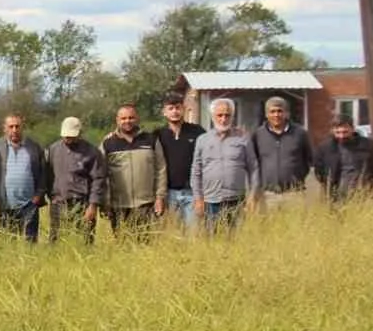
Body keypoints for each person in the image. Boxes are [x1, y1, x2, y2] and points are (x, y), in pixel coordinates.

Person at [190, 98, 258, 234]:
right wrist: (198, 198)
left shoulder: (243, 138)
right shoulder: (202, 140)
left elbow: (254, 169)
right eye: (219, 115)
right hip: (210, 201)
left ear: (232, 116)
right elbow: (196, 171)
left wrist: (252, 196)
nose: (223, 119)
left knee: (236, 239)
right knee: (211, 239)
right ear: (212, 116)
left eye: (227, 115)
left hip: (236, 200)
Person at [100, 104, 167, 241]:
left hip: (146, 204)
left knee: (146, 245)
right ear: (117, 120)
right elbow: (101, 174)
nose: (127, 121)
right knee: (122, 245)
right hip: (118, 205)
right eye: (123, 118)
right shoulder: (108, 143)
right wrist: (105, 202)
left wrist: (160, 197)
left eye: (131, 117)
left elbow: (161, 169)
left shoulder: (151, 140)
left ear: (137, 119)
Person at [0, 113, 50, 243]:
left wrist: (38, 195)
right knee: (7, 243)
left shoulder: (34, 147)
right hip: (5, 204)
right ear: (4, 128)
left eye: (17, 126)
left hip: (29, 205)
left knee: (30, 243)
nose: (14, 130)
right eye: (11, 126)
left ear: (22, 127)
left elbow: (44, 173)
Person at [47, 117, 105, 245]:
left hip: (82, 205)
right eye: (65, 136)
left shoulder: (92, 152)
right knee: (55, 243)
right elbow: (48, 174)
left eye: (71, 136)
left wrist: (92, 206)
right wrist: (51, 196)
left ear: (79, 134)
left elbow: (98, 180)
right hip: (58, 204)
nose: (68, 139)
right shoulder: (53, 149)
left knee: (85, 243)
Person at [251, 95, 312, 211]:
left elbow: (308, 159)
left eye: (280, 111)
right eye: (272, 111)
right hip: (268, 195)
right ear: (266, 114)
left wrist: (297, 178)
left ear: (286, 113)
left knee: (296, 228)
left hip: (294, 194)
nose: (276, 115)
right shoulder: (258, 135)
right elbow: (255, 163)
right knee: (270, 228)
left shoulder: (300, 134)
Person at [155, 94, 204, 232]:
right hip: (168, 193)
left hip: (192, 192)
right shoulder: (158, 134)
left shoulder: (197, 131)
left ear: (184, 109)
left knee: (194, 234)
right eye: (171, 108)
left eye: (178, 108)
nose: (175, 111)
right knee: (172, 234)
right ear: (164, 112)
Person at [313, 114, 373, 205]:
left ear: (353, 129)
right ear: (332, 131)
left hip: (363, 196)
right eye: (338, 132)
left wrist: (371, 187)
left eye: (345, 132)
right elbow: (319, 171)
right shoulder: (325, 148)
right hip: (335, 197)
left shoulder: (369, 146)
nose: (341, 136)